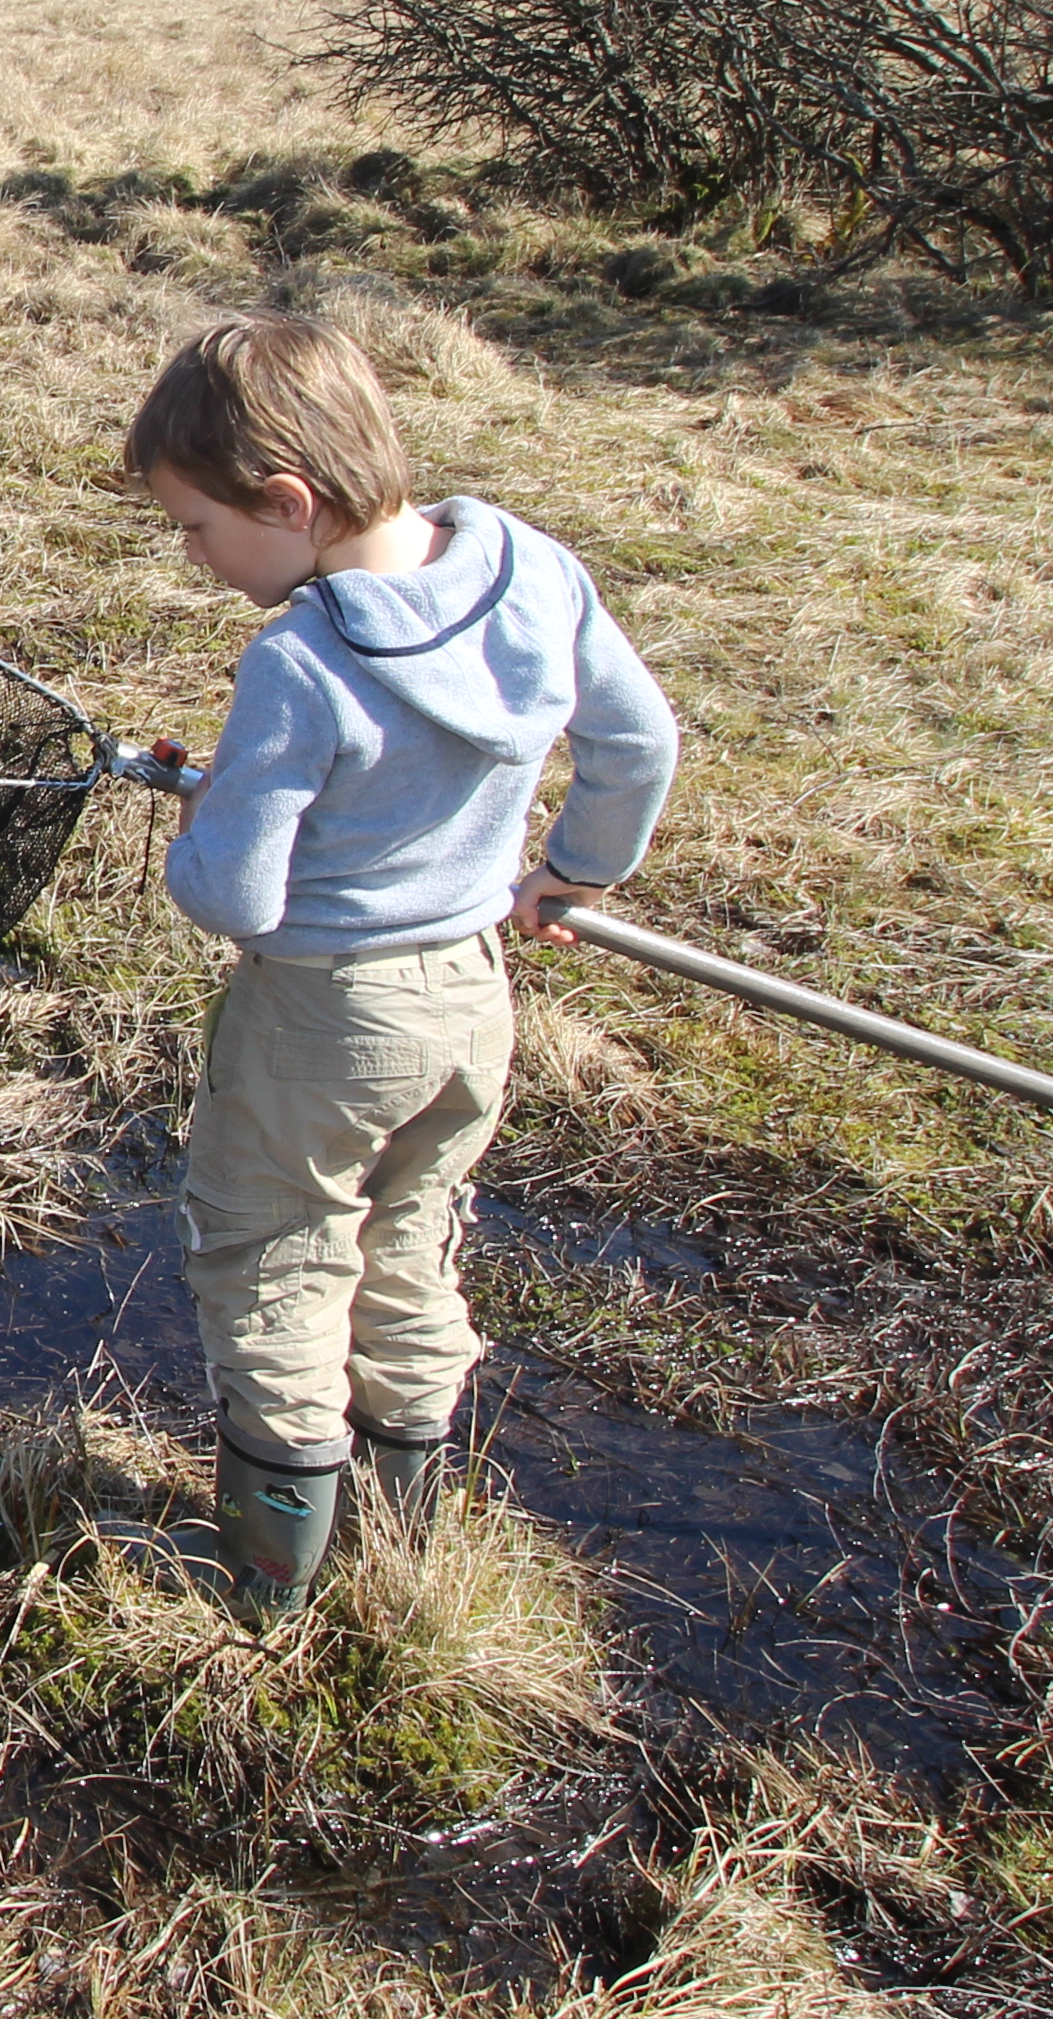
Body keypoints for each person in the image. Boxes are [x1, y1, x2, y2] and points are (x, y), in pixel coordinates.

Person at [119, 312, 678, 1621]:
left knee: (277, 1258)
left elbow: (238, 895)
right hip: (469, 1000)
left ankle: (268, 1588)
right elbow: (637, 743)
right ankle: (399, 1535)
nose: (194, 556)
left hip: (322, 1018)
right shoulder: (529, 565)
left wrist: (202, 828)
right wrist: (576, 871)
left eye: (198, 528)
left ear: (287, 502)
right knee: (411, 1241)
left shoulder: (302, 657)